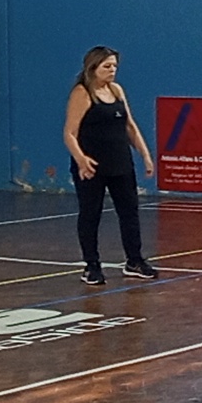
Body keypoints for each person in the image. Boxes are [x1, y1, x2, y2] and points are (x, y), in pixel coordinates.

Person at [63, 46, 157, 286]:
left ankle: (134, 261)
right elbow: (70, 133)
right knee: (90, 214)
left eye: (114, 66)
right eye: (107, 66)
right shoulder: (82, 93)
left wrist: (145, 155)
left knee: (129, 212)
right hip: (92, 166)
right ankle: (92, 266)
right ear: (93, 67)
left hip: (120, 163)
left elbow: (130, 126)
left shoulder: (116, 90)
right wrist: (81, 159)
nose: (112, 70)